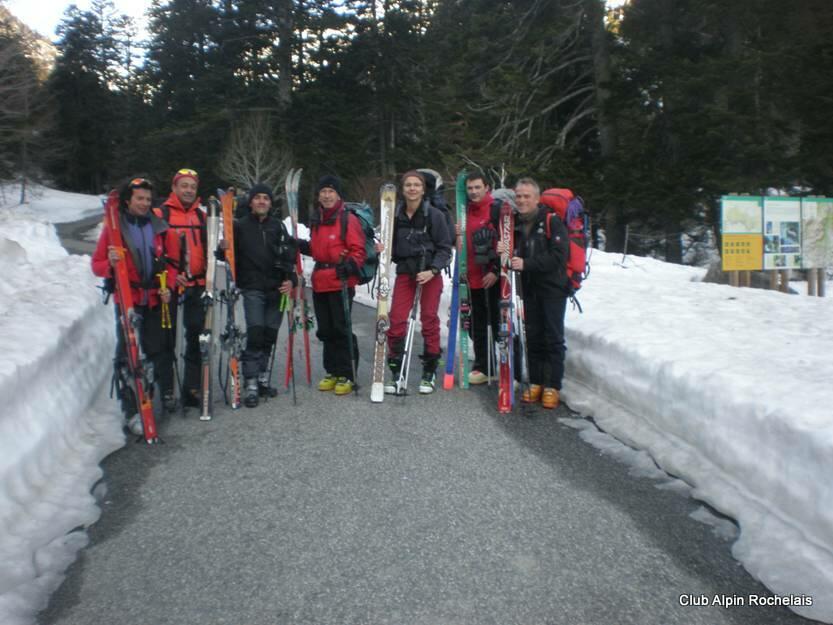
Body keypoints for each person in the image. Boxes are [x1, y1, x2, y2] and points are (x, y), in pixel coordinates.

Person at [92, 177, 178, 433]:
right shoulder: (115, 229)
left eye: (148, 199)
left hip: (153, 298)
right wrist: (110, 263)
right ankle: (131, 410)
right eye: (139, 198)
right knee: (128, 355)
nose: (144, 203)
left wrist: (168, 285)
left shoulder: (159, 227)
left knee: (153, 352)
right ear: (128, 200)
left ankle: (147, 401)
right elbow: (96, 265)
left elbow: (172, 263)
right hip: (128, 299)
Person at [221, 183, 296, 408]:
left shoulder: (277, 227)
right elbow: (226, 256)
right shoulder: (240, 226)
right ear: (251, 201)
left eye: (266, 198)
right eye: (258, 197)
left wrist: (291, 280)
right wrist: (222, 248)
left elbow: (288, 256)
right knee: (256, 332)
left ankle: (262, 377)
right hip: (252, 287)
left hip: (276, 289)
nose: (262, 201)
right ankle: (251, 381)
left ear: (270, 203)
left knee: (269, 335)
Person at [497, 177, 569, 409]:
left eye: (526, 196)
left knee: (553, 336)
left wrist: (527, 264)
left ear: (537, 198)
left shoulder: (551, 221)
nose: (522, 200)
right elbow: (511, 255)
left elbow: (559, 256)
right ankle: (536, 381)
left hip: (552, 288)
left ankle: (553, 385)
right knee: (533, 335)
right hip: (527, 288)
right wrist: (502, 250)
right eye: (518, 196)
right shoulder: (513, 223)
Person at [385, 170, 453, 394]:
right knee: (396, 319)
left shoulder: (434, 215)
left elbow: (445, 248)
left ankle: (429, 371)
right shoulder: (396, 215)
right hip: (406, 272)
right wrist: (382, 248)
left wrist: (433, 270)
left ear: (423, 190)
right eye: (408, 185)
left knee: (429, 318)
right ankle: (396, 369)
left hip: (429, 272)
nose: (412, 189)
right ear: (403, 189)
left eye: (416, 185)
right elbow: (390, 245)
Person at [298, 175, 366, 396]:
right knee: (325, 329)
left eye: (331, 192)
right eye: (323, 192)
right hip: (320, 281)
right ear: (318, 196)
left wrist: (350, 265)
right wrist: (301, 246)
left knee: (341, 328)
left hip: (340, 281)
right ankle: (332, 371)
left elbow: (358, 250)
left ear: (338, 195)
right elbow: (318, 249)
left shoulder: (348, 219)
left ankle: (347, 373)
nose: (327, 196)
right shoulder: (317, 219)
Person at [155, 168, 206, 408]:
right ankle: (167, 389)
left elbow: (207, 248)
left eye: (192, 187)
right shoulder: (161, 214)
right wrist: (170, 276)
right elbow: (154, 251)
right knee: (167, 337)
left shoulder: (201, 217)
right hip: (170, 286)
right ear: (174, 187)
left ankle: (192, 387)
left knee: (196, 336)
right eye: (184, 185)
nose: (188, 190)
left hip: (197, 284)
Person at [459, 172, 500, 385]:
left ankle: (507, 367)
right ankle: (484, 366)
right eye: (470, 188)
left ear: (486, 188)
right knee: (477, 324)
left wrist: (496, 270)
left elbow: (507, 242)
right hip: (471, 277)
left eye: (477, 187)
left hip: (491, 278)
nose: (474, 192)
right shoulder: (464, 211)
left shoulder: (496, 210)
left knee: (498, 323)